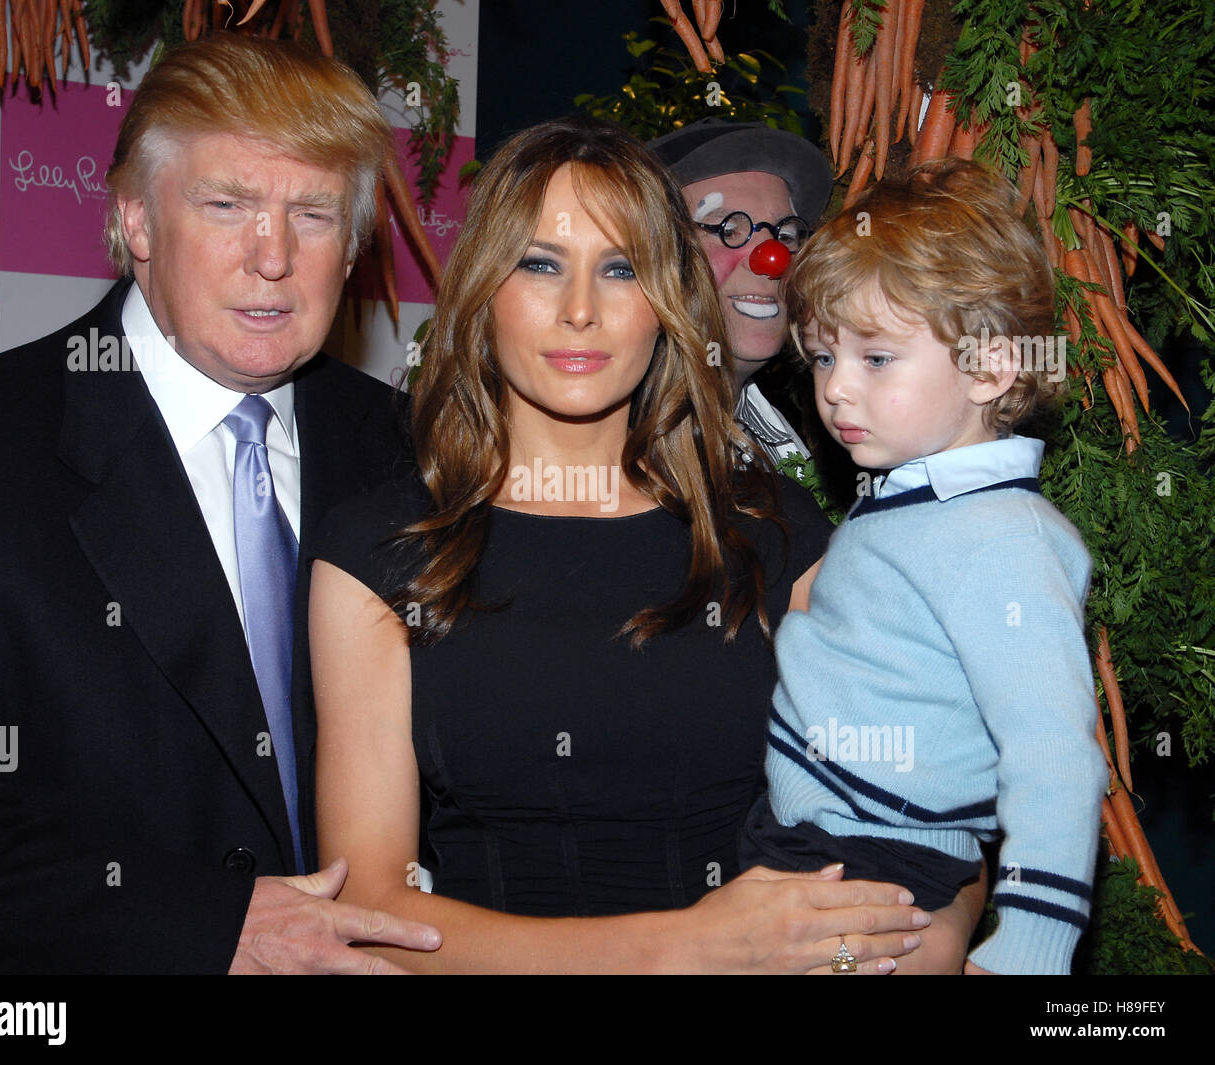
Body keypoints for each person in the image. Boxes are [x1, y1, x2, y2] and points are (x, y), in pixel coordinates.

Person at [308, 116, 982, 972]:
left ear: (667, 300)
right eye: (541, 263)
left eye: (620, 269)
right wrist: (692, 946)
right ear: (484, 289)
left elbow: (929, 807)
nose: (580, 310)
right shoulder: (378, 549)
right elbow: (370, 913)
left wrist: (939, 938)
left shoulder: (776, 534)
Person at [0, 35, 439, 973]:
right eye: (226, 204)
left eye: (313, 213)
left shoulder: (419, 450)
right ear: (137, 221)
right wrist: (204, 924)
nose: (271, 257)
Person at [743, 160, 1108, 974]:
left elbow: (1055, 758)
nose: (836, 389)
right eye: (824, 356)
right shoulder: (916, 499)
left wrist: (1029, 950)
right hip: (815, 836)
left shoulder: (1002, 539)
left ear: (988, 366)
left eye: (876, 358)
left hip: (879, 862)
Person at [648, 118, 833, 472]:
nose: (771, 259)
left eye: (787, 233)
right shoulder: (618, 450)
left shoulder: (805, 429)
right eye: (728, 228)